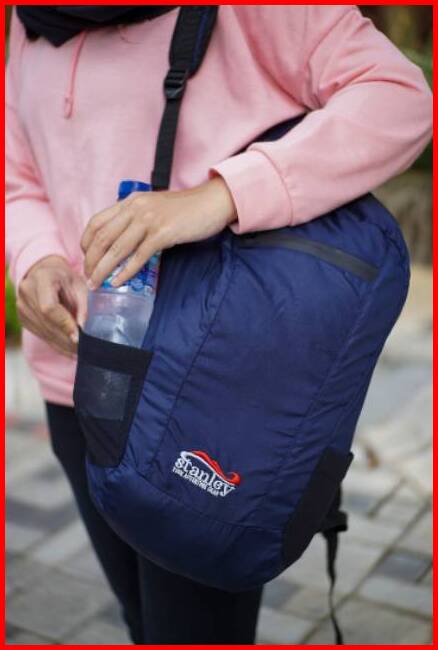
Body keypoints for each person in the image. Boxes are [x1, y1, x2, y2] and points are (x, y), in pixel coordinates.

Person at [6, 5, 432, 645]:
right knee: (143, 622)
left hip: (202, 389)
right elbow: (16, 172)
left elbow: (400, 100)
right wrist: (35, 257)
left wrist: (221, 196)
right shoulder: (32, 17)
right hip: (77, 379)